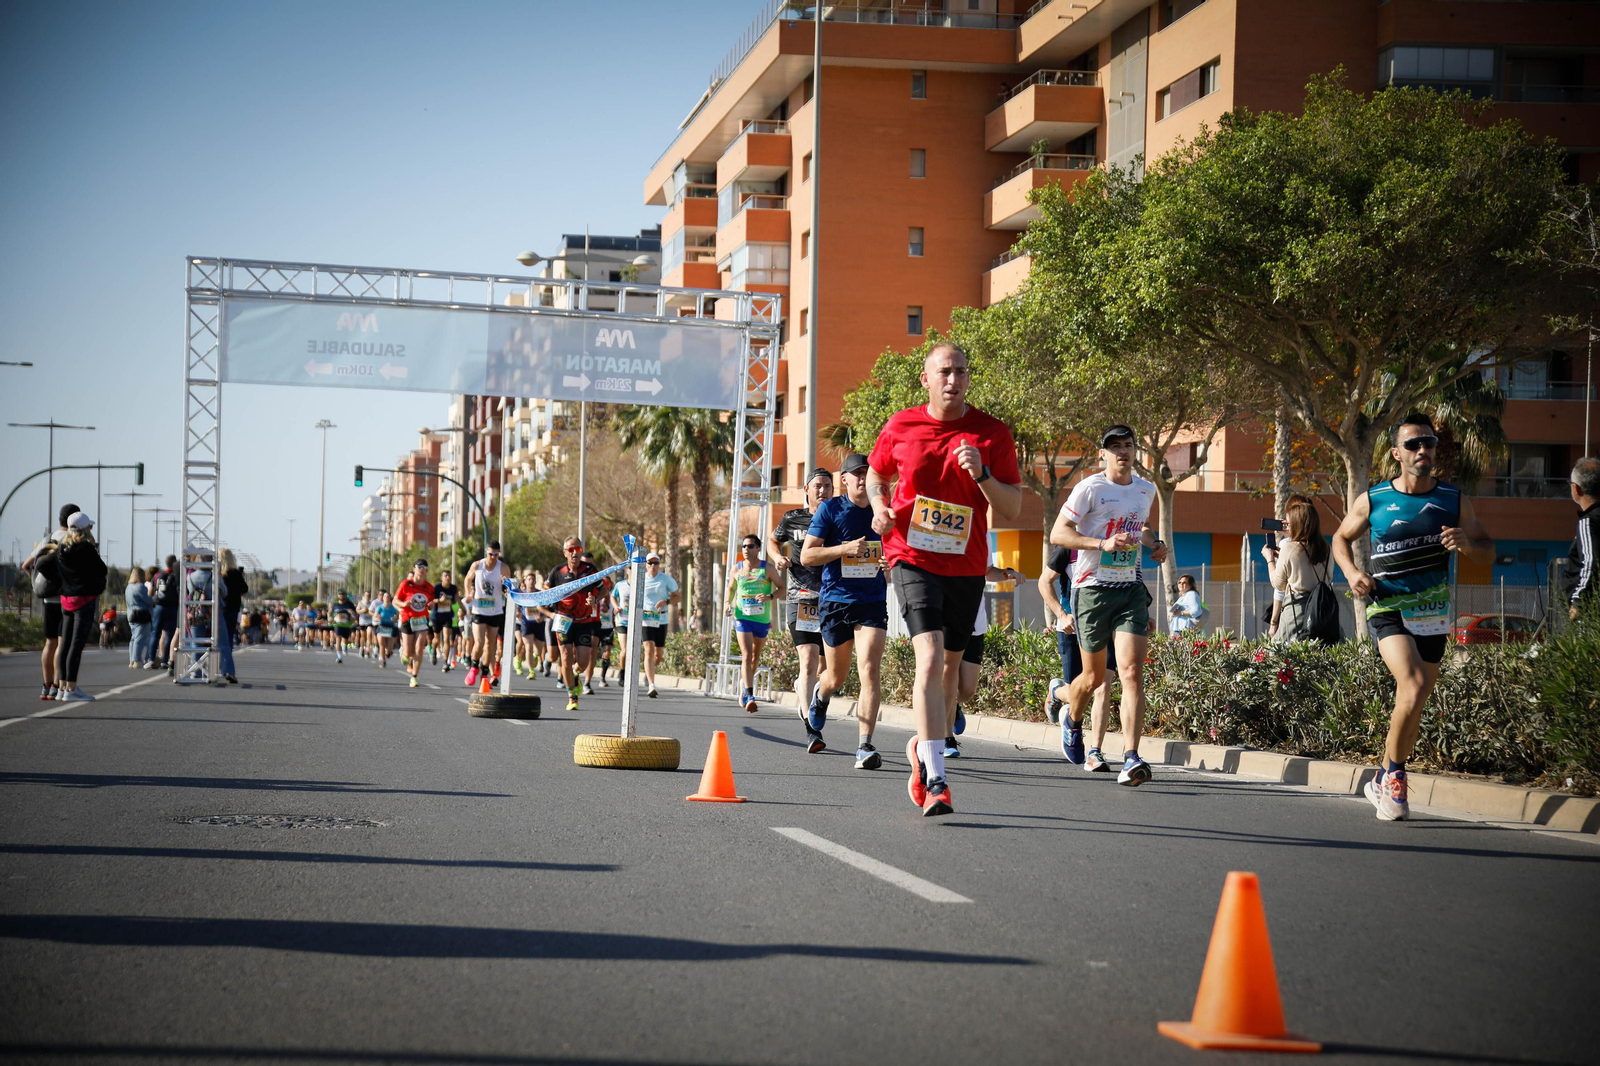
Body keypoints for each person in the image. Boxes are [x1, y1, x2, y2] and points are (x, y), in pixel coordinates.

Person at [867, 341, 1024, 816]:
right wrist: (879, 508)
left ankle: (921, 747)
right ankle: (937, 779)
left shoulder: (992, 433)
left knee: (955, 678)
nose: (953, 380)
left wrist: (982, 476)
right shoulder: (901, 425)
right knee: (930, 659)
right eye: (944, 372)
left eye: (961, 371)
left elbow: (1013, 507)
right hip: (911, 557)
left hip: (967, 564)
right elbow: (876, 474)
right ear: (926, 380)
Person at [1334, 414, 1494, 822]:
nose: (1423, 451)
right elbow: (1340, 538)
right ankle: (1396, 777)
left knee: (1416, 697)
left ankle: (1383, 775)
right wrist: (1353, 573)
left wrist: (1467, 546)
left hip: (1433, 613)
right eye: (1413, 445)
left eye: (1429, 443)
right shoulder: (1375, 499)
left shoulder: (1454, 500)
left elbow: (1488, 549)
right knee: (1414, 682)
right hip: (1387, 606)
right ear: (1396, 453)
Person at [1049, 424, 1168, 786]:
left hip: (1130, 587)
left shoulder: (1146, 490)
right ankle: (1064, 703)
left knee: (1131, 672)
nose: (1122, 452)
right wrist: (1101, 544)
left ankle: (1131, 757)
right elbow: (1058, 533)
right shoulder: (1089, 488)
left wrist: (1154, 543)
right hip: (1092, 590)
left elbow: (1140, 526)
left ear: (1136, 452)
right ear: (1103, 454)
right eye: (1114, 447)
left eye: (1128, 445)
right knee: (1095, 678)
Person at [800, 453, 887, 764]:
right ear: (845, 480)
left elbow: (896, 548)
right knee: (836, 677)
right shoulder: (830, 509)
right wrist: (844, 549)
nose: (863, 479)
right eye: (856, 474)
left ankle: (865, 746)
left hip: (872, 601)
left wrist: (890, 561)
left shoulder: (883, 511)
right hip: (836, 601)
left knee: (870, 670)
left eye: (868, 473)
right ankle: (821, 697)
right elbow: (807, 556)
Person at [1040, 546, 1121, 771]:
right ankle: (1056, 692)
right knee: (1080, 689)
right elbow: (1044, 582)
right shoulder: (1068, 546)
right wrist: (1061, 615)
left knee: (1103, 687)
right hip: (1072, 628)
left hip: (1106, 627)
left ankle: (1095, 752)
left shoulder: (1114, 543)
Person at [769, 468, 834, 715]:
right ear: (807, 489)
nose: (823, 490)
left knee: (827, 669)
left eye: (828, 486)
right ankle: (809, 723)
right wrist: (777, 557)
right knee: (808, 660)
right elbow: (773, 540)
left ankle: (809, 691)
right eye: (817, 485)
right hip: (802, 597)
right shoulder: (792, 518)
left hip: (833, 599)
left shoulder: (839, 518)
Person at [948, 563, 1025, 759]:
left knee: (967, 690)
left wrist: (1008, 573)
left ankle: (954, 704)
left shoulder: (982, 537)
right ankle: (946, 738)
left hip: (974, 624)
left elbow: (988, 571)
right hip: (945, 620)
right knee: (947, 680)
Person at [21, 504, 79, 699]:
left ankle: (46, 686)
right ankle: (56, 685)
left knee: (49, 643)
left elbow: (26, 565)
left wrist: (36, 583)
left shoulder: (49, 538)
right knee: (62, 645)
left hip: (48, 600)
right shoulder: (73, 540)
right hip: (65, 600)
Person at [52, 512, 108, 701]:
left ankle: (61, 687)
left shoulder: (61, 548)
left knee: (65, 644)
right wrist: (93, 546)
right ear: (86, 529)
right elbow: (102, 569)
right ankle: (72, 688)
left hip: (66, 600)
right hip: (83, 600)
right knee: (76, 646)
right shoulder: (85, 548)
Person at [1262, 494, 1333, 644]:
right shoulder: (1326, 548)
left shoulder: (1289, 548)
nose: (1286, 526)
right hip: (1321, 611)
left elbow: (1278, 583)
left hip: (1296, 611)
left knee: (1280, 657)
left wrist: (1270, 559)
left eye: (1288, 523)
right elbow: (1328, 577)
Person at [542, 537, 602, 711]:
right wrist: (550, 609)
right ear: (565, 552)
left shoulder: (590, 570)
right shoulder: (557, 572)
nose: (574, 552)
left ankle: (575, 673)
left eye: (578, 548)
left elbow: (603, 589)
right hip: (563, 620)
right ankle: (572, 696)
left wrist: (595, 599)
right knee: (566, 657)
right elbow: (545, 593)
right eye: (571, 549)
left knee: (583, 662)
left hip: (584, 621)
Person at [724, 534, 779, 714]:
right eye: (744, 546)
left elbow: (783, 588)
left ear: (758, 549)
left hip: (761, 620)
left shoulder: (767, 569)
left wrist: (769, 596)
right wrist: (727, 602)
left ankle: (744, 684)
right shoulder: (736, 569)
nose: (746, 549)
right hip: (742, 617)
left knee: (755, 657)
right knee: (746, 655)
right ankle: (749, 694)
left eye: (750, 546)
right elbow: (731, 588)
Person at [615, 552, 679, 697]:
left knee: (658, 655)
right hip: (644, 620)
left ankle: (648, 673)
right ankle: (651, 685)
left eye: (655, 563)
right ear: (645, 565)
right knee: (648, 650)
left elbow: (678, 596)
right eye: (650, 563)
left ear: (659, 565)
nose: (653, 566)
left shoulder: (666, 579)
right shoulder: (639, 580)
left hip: (661, 619)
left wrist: (666, 602)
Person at [462, 543, 509, 687]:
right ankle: (474, 667)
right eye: (491, 554)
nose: (493, 557)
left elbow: (508, 587)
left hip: (495, 610)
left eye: (496, 554)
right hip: (479, 609)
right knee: (479, 642)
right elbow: (467, 579)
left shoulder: (503, 567)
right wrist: (468, 593)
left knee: (490, 644)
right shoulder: (477, 565)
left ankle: (484, 674)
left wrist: (505, 584)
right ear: (486, 552)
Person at [1565, 457, 1599, 621]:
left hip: (1588, 615)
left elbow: (1592, 562)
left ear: (1576, 489)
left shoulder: (1588, 522)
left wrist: (1578, 603)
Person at [394, 559, 435, 689]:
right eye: (419, 567)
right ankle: (404, 653)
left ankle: (414, 676)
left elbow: (431, 604)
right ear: (414, 569)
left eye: (424, 568)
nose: (421, 570)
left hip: (422, 619)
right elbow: (395, 600)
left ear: (427, 571)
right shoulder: (406, 584)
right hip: (407, 618)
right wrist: (403, 604)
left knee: (419, 647)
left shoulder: (429, 587)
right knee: (409, 653)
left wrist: (431, 605)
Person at [151, 554, 181, 670]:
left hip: (158, 606)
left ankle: (151, 658)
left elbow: (151, 591)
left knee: (156, 633)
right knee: (170, 633)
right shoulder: (175, 575)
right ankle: (165, 659)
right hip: (172, 607)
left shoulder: (158, 575)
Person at [431, 568, 461, 671]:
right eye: (445, 576)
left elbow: (456, 600)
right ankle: (434, 650)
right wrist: (440, 600)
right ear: (441, 578)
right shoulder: (437, 587)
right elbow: (432, 600)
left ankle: (446, 662)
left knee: (447, 638)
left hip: (448, 615)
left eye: (449, 576)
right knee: (436, 639)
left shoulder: (453, 588)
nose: (448, 578)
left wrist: (463, 608)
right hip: (437, 616)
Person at [125, 566, 154, 668]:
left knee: (133, 638)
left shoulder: (128, 587)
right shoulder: (140, 587)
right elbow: (148, 600)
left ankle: (132, 660)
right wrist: (154, 599)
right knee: (140, 638)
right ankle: (137, 660)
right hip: (141, 614)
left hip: (130, 614)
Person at [330, 588, 357, 663]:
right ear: (338, 595)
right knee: (338, 638)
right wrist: (329, 617)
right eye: (340, 594)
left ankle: (344, 645)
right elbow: (330, 612)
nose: (342, 596)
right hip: (337, 624)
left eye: (343, 594)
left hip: (347, 625)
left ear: (345, 595)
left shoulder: (349, 604)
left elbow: (355, 614)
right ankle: (339, 657)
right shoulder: (335, 604)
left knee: (345, 640)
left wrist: (352, 613)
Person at [373, 590, 399, 666]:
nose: (386, 598)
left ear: (390, 598)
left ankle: (388, 652)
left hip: (390, 627)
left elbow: (397, 615)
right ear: (383, 598)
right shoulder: (380, 608)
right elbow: (374, 617)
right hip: (382, 627)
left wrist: (394, 618)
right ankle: (383, 661)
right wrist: (377, 618)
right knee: (382, 644)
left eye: (388, 596)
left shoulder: (392, 608)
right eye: (385, 596)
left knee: (389, 647)